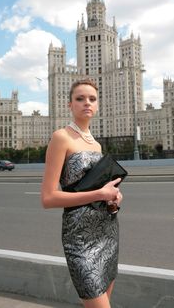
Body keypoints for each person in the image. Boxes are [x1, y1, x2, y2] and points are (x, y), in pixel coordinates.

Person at [41, 78, 123, 308]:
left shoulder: (96, 145)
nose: (87, 103)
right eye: (80, 98)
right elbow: (48, 198)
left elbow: (100, 192)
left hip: (107, 231)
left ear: (97, 105)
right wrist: (99, 194)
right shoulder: (61, 137)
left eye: (92, 99)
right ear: (70, 105)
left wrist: (113, 199)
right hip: (79, 237)